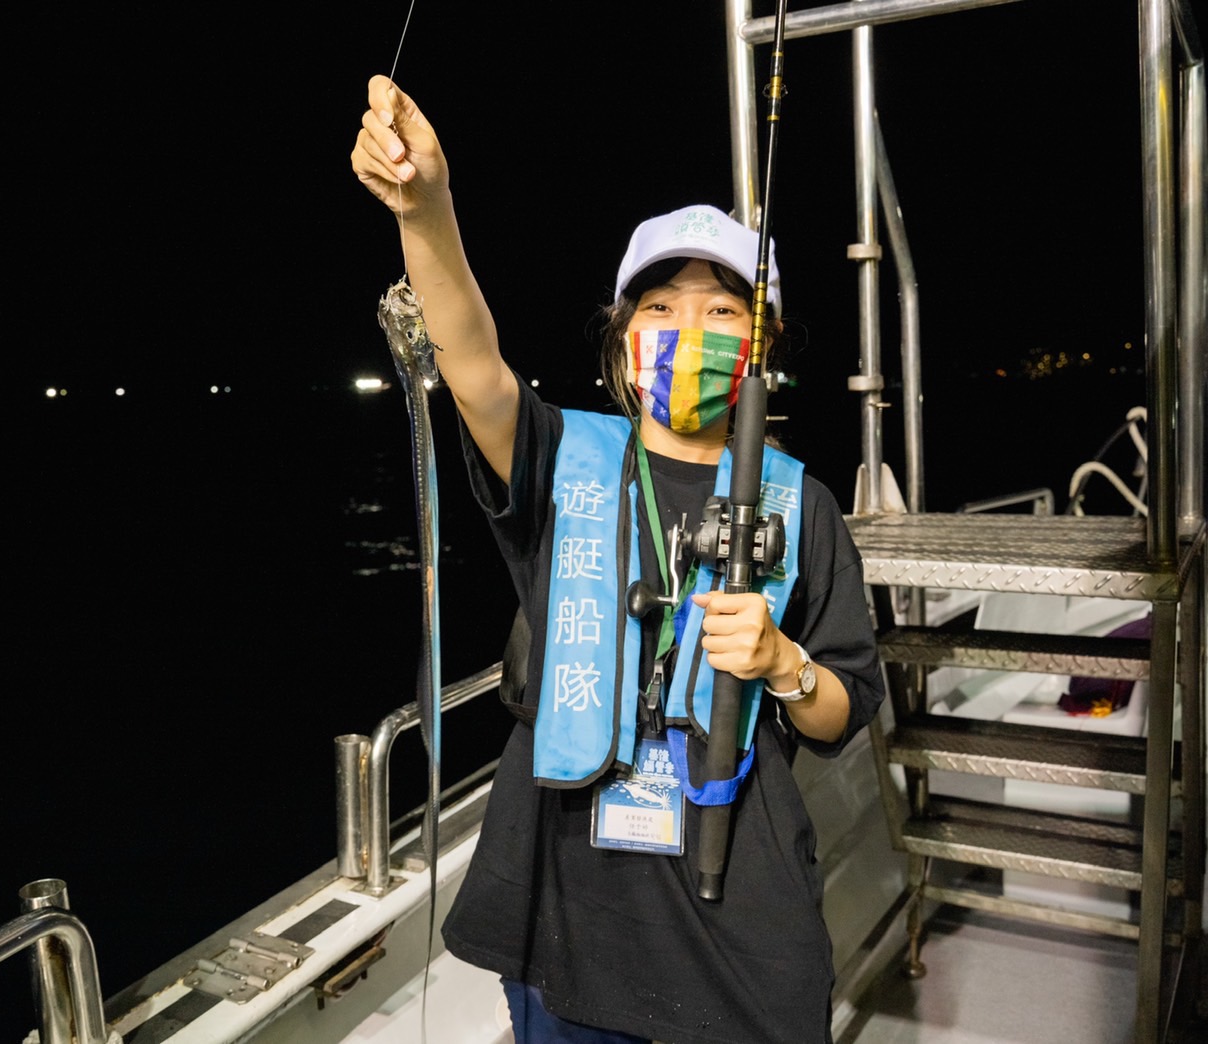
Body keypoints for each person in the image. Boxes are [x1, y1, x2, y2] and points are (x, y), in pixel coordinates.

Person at [351, 75, 884, 1044]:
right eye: (661, 307)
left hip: (736, 908)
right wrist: (425, 209)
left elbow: (841, 710)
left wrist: (783, 663)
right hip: (567, 909)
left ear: (760, 342)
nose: (688, 330)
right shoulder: (562, 458)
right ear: (624, 336)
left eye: (723, 312)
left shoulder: (801, 503)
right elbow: (471, 362)